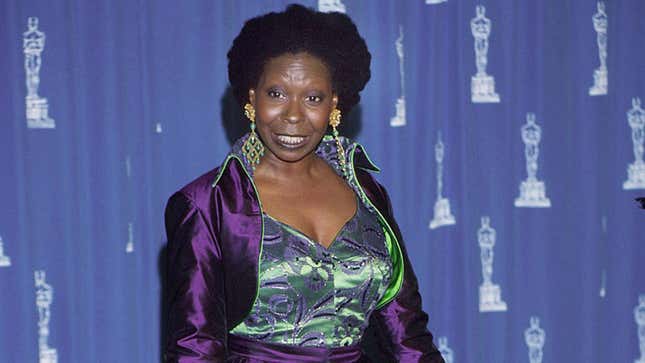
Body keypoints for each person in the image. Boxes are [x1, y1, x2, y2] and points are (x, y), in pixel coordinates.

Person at [164, 4, 444, 362]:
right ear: (252, 98)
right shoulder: (209, 203)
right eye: (276, 94)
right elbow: (194, 348)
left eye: (313, 98)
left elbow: (407, 334)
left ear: (334, 104)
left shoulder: (367, 192)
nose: (293, 115)